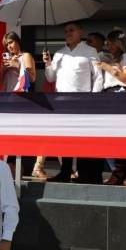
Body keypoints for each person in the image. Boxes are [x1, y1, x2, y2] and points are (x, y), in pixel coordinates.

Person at [43, 22, 103, 183]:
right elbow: (50, 78)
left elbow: (97, 75)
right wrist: (48, 63)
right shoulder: (59, 53)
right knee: (65, 137)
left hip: (83, 100)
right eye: (66, 31)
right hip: (62, 101)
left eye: (71, 30)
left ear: (80, 32)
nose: (68, 33)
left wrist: (94, 97)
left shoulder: (89, 51)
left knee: (83, 137)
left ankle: (84, 173)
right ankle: (65, 171)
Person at [94, 30, 126, 185]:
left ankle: (119, 171)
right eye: (107, 42)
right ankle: (119, 170)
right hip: (107, 95)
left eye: (111, 42)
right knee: (105, 137)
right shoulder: (109, 58)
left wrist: (108, 67)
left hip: (120, 95)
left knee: (116, 136)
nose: (108, 45)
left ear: (119, 43)